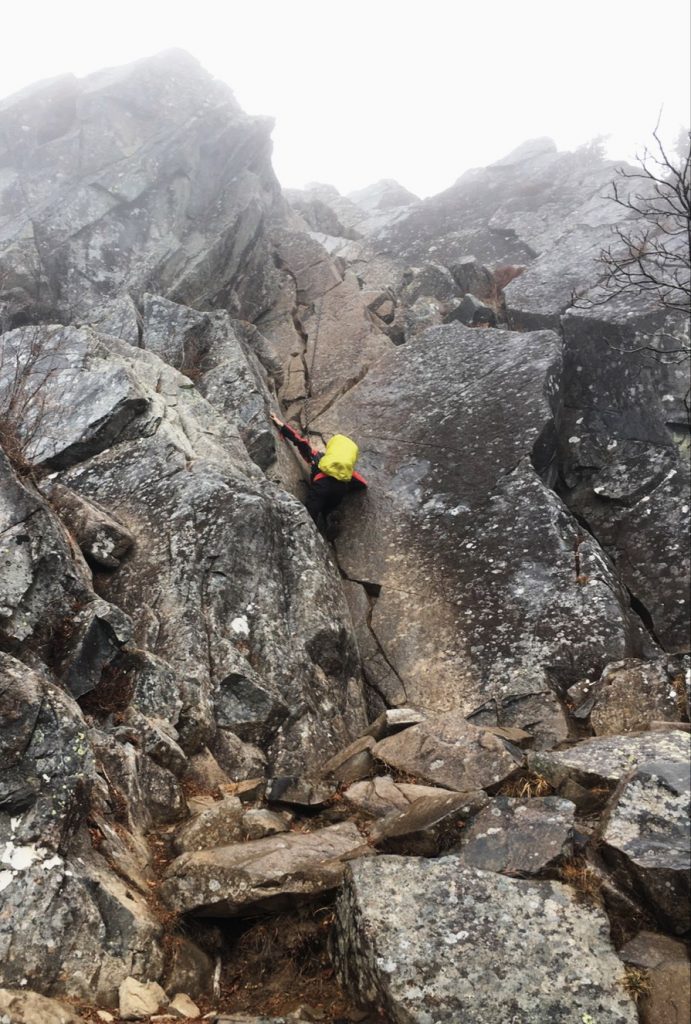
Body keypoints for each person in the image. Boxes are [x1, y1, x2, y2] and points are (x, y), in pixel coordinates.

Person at [270, 413, 367, 534]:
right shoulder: (347, 472)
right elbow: (362, 483)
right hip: (340, 489)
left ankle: (310, 532)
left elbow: (300, 442)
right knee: (330, 507)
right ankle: (330, 516)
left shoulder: (319, 457)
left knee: (310, 513)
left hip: (321, 486)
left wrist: (281, 425)